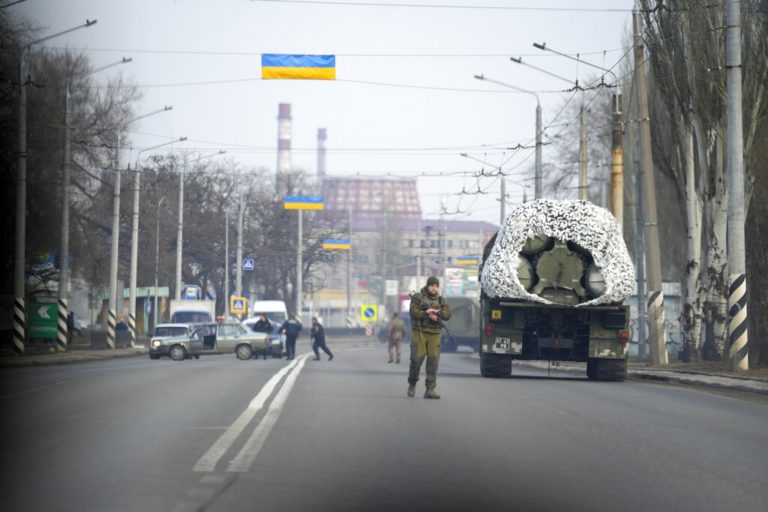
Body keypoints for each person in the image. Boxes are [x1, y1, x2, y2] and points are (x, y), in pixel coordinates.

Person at [408, 276, 451, 399]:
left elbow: (448, 314)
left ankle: (430, 389)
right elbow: (413, 312)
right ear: (427, 286)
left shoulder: (441, 300)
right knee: (416, 360)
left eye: (436, 286)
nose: (434, 288)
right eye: (432, 285)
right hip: (420, 332)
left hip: (435, 333)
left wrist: (437, 313)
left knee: (433, 362)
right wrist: (426, 313)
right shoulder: (418, 297)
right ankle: (412, 383)